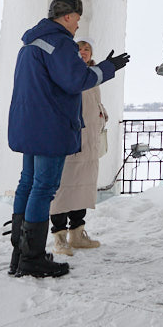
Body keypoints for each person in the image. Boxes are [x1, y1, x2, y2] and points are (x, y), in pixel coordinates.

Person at [6, 0, 129, 278]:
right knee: (44, 188)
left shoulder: (31, 44)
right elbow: (76, 81)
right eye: (76, 18)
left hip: (29, 123)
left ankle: (20, 253)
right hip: (50, 126)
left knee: (27, 183)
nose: (77, 25)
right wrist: (108, 68)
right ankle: (33, 258)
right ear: (67, 17)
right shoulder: (59, 43)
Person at [47, 40, 110, 256]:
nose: (83, 53)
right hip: (70, 141)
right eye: (79, 49)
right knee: (62, 190)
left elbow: (94, 105)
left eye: (87, 50)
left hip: (89, 143)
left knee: (82, 188)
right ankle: (59, 237)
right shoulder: (66, 73)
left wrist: (102, 115)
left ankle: (77, 233)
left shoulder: (92, 77)